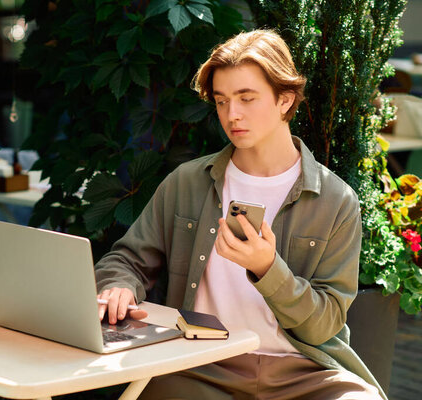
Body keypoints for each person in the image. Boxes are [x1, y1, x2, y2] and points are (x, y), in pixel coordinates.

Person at [94, 29, 386, 399]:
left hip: (304, 373)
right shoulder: (187, 182)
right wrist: (118, 285)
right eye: (221, 101)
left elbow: (325, 324)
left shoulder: (336, 199)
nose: (232, 115)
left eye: (247, 98)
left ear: (285, 99)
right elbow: (127, 259)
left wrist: (268, 269)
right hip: (198, 365)